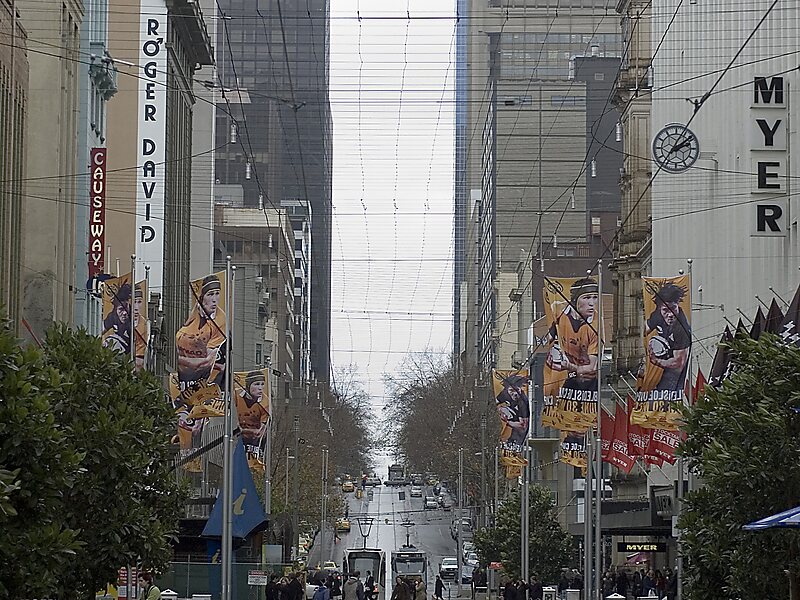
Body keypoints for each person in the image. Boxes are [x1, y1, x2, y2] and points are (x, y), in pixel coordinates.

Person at [546, 278, 600, 424]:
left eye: (595, 297)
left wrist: (570, 366)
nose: (592, 303)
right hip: (562, 378)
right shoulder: (559, 312)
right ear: (575, 300)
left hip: (585, 384)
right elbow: (549, 339)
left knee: (581, 422)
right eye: (587, 298)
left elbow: (592, 367)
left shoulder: (595, 327)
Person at [176, 273, 228, 385]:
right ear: (201, 297)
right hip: (185, 381)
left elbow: (207, 362)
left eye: (217, 294)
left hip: (208, 382)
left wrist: (184, 360)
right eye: (210, 294)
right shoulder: (193, 318)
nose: (214, 300)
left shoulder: (220, 322)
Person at [644, 281, 691, 395]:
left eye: (673, 308)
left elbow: (678, 364)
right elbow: (644, 329)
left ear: (677, 304)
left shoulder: (681, 329)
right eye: (665, 310)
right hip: (662, 371)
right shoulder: (658, 314)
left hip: (677, 378)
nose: (670, 314)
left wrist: (656, 361)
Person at [495, 374, 531, 450]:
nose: (515, 393)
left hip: (519, 434)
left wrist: (507, 421)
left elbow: (523, 426)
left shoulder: (523, 401)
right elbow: (495, 404)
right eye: (511, 390)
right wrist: (500, 410)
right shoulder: (504, 394)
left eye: (517, 390)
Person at [236, 370, 269, 447]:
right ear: (248, 385)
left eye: (262, 384)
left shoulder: (265, 403)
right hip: (236, 440)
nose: (260, 388)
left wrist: (244, 430)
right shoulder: (236, 395)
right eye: (256, 384)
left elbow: (260, 431)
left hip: (255, 443)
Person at [102, 281, 132, 354]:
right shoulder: (112, 316)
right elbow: (99, 330)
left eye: (126, 308)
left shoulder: (134, 317)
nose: (124, 313)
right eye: (121, 309)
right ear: (115, 309)